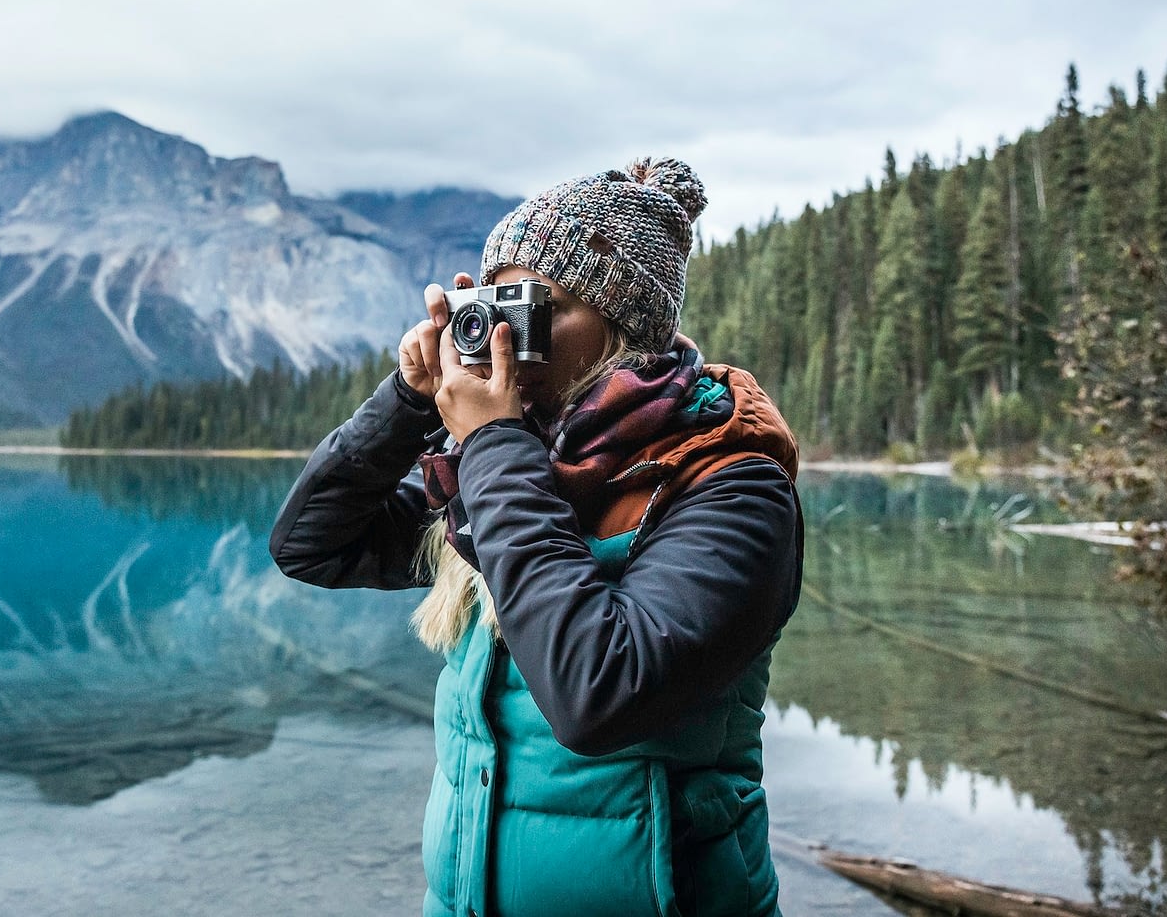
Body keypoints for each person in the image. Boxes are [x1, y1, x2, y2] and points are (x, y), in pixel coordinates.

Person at [270, 157, 803, 917]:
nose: (508, 337)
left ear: (624, 325)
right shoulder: (517, 469)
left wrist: (491, 442)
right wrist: (410, 400)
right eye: (493, 306)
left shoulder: (728, 485)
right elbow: (312, 544)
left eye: (534, 307)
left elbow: (598, 696)